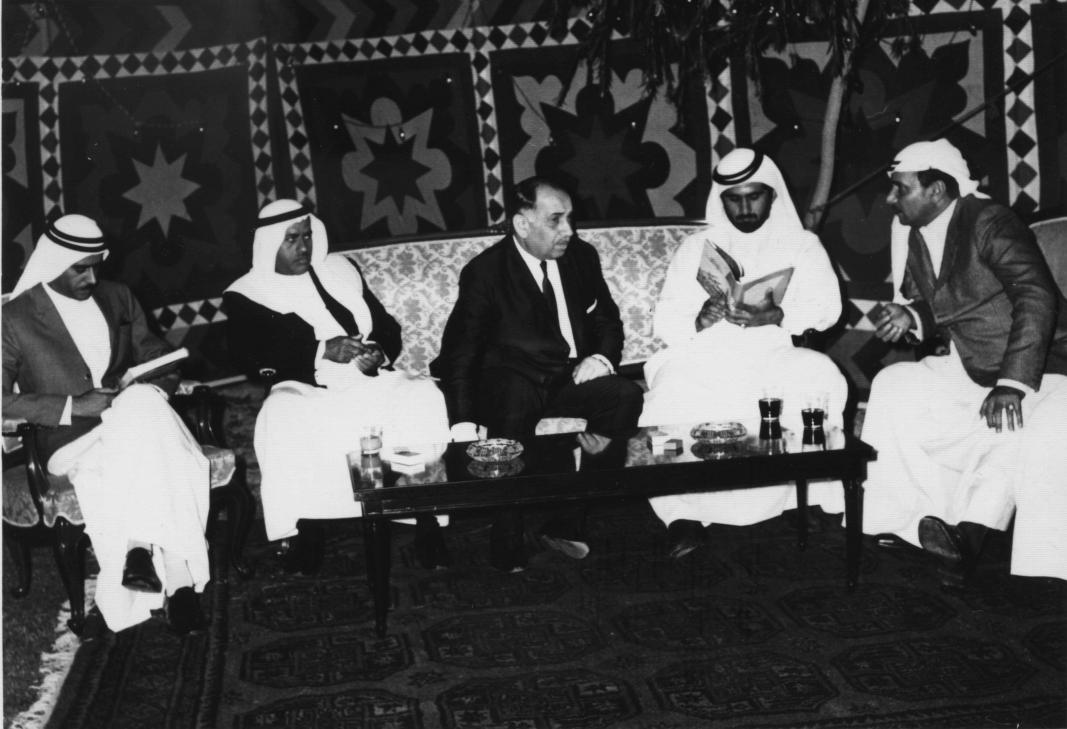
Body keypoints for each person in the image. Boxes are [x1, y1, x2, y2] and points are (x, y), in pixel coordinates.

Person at [863, 138, 1067, 584]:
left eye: (900, 188)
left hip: (1043, 363)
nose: (891, 198)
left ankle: (968, 537)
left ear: (937, 190)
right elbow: (945, 300)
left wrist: (1012, 383)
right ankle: (905, 522)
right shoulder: (915, 231)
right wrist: (912, 316)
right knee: (895, 385)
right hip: (971, 363)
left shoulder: (989, 221)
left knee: (1011, 422)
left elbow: (1036, 296)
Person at [2, 214, 210, 635]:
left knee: (138, 406)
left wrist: (150, 381)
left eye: (97, 266)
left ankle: (145, 556)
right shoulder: (15, 317)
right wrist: (73, 405)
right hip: (68, 438)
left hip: (130, 425)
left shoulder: (118, 297)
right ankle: (177, 572)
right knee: (155, 435)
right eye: (81, 269)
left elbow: (157, 356)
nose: (92, 278)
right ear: (54, 261)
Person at [640, 148, 848, 558]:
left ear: (772, 195)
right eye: (734, 199)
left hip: (772, 350)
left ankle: (806, 497)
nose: (745, 208)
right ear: (721, 200)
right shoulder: (695, 248)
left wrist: (777, 315)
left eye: (754, 197)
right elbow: (664, 322)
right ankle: (680, 512)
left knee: (820, 376)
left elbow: (828, 310)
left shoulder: (802, 245)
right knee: (668, 394)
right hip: (704, 355)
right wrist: (700, 318)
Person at [224, 199, 452, 573]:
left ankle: (425, 515)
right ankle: (306, 528)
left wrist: (378, 351)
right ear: (268, 244)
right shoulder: (246, 293)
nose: (304, 247)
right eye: (292, 239)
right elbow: (249, 356)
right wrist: (321, 350)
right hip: (304, 386)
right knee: (280, 415)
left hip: (368, 379)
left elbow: (386, 327)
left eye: (307, 235)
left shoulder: (341, 269)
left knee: (423, 396)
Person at [432, 176, 644, 571]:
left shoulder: (581, 257)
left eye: (570, 219)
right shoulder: (486, 271)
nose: (569, 230)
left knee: (625, 396)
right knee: (514, 397)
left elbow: (607, 319)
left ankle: (567, 521)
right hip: (510, 381)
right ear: (522, 224)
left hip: (568, 379)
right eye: (556, 220)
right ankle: (507, 535)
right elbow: (461, 351)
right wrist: (462, 424)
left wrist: (602, 358)